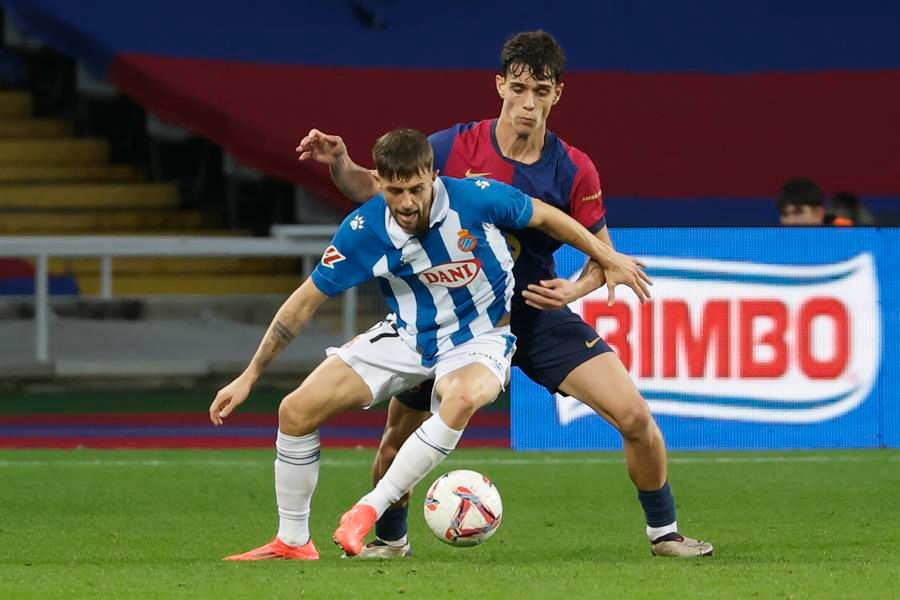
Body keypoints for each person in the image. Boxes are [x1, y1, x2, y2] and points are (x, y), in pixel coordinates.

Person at [297, 31, 713, 557]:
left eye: (541, 90)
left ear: (558, 93)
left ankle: (664, 534)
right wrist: (339, 162)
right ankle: (390, 540)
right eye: (519, 88)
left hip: (536, 314)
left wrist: (575, 290)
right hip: (454, 320)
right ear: (500, 86)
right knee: (394, 442)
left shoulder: (573, 168)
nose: (528, 102)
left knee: (635, 418)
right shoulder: (454, 146)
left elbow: (602, 256)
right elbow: (376, 188)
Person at [212, 128, 650, 560]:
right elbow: (302, 304)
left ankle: (369, 508)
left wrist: (608, 258)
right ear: (380, 182)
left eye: (416, 189)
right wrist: (249, 376)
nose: (406, 202)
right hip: (407, 337)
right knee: (295, 410)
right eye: (396, 190)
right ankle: (292, 542)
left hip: (480, 337)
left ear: (434, 176)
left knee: (459, 397)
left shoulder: (475, 198)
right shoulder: (363, 230)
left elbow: (548, 217)